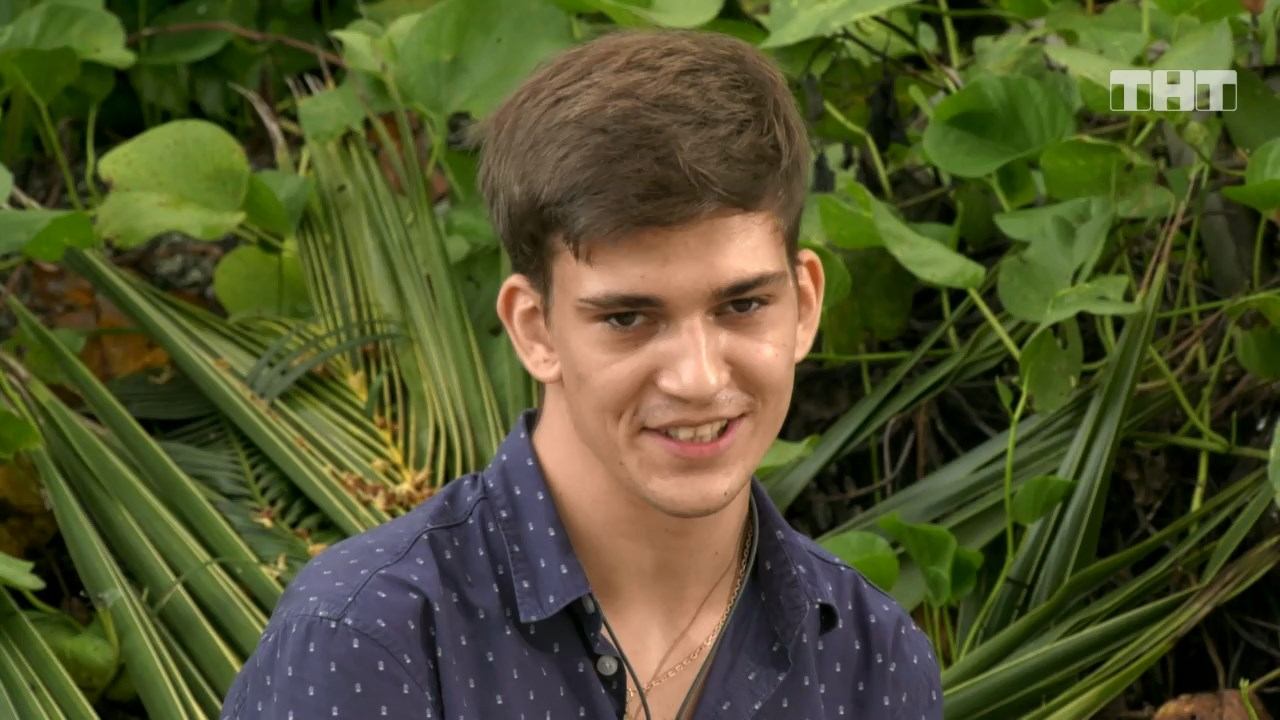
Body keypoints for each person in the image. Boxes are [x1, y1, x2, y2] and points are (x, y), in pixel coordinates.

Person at [220, 27, 942, 720]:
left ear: (805, 305)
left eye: (743, 305)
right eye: (628, 318)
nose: (697, 378)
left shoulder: (873, 661)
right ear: (534, 329)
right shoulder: (370, 635)